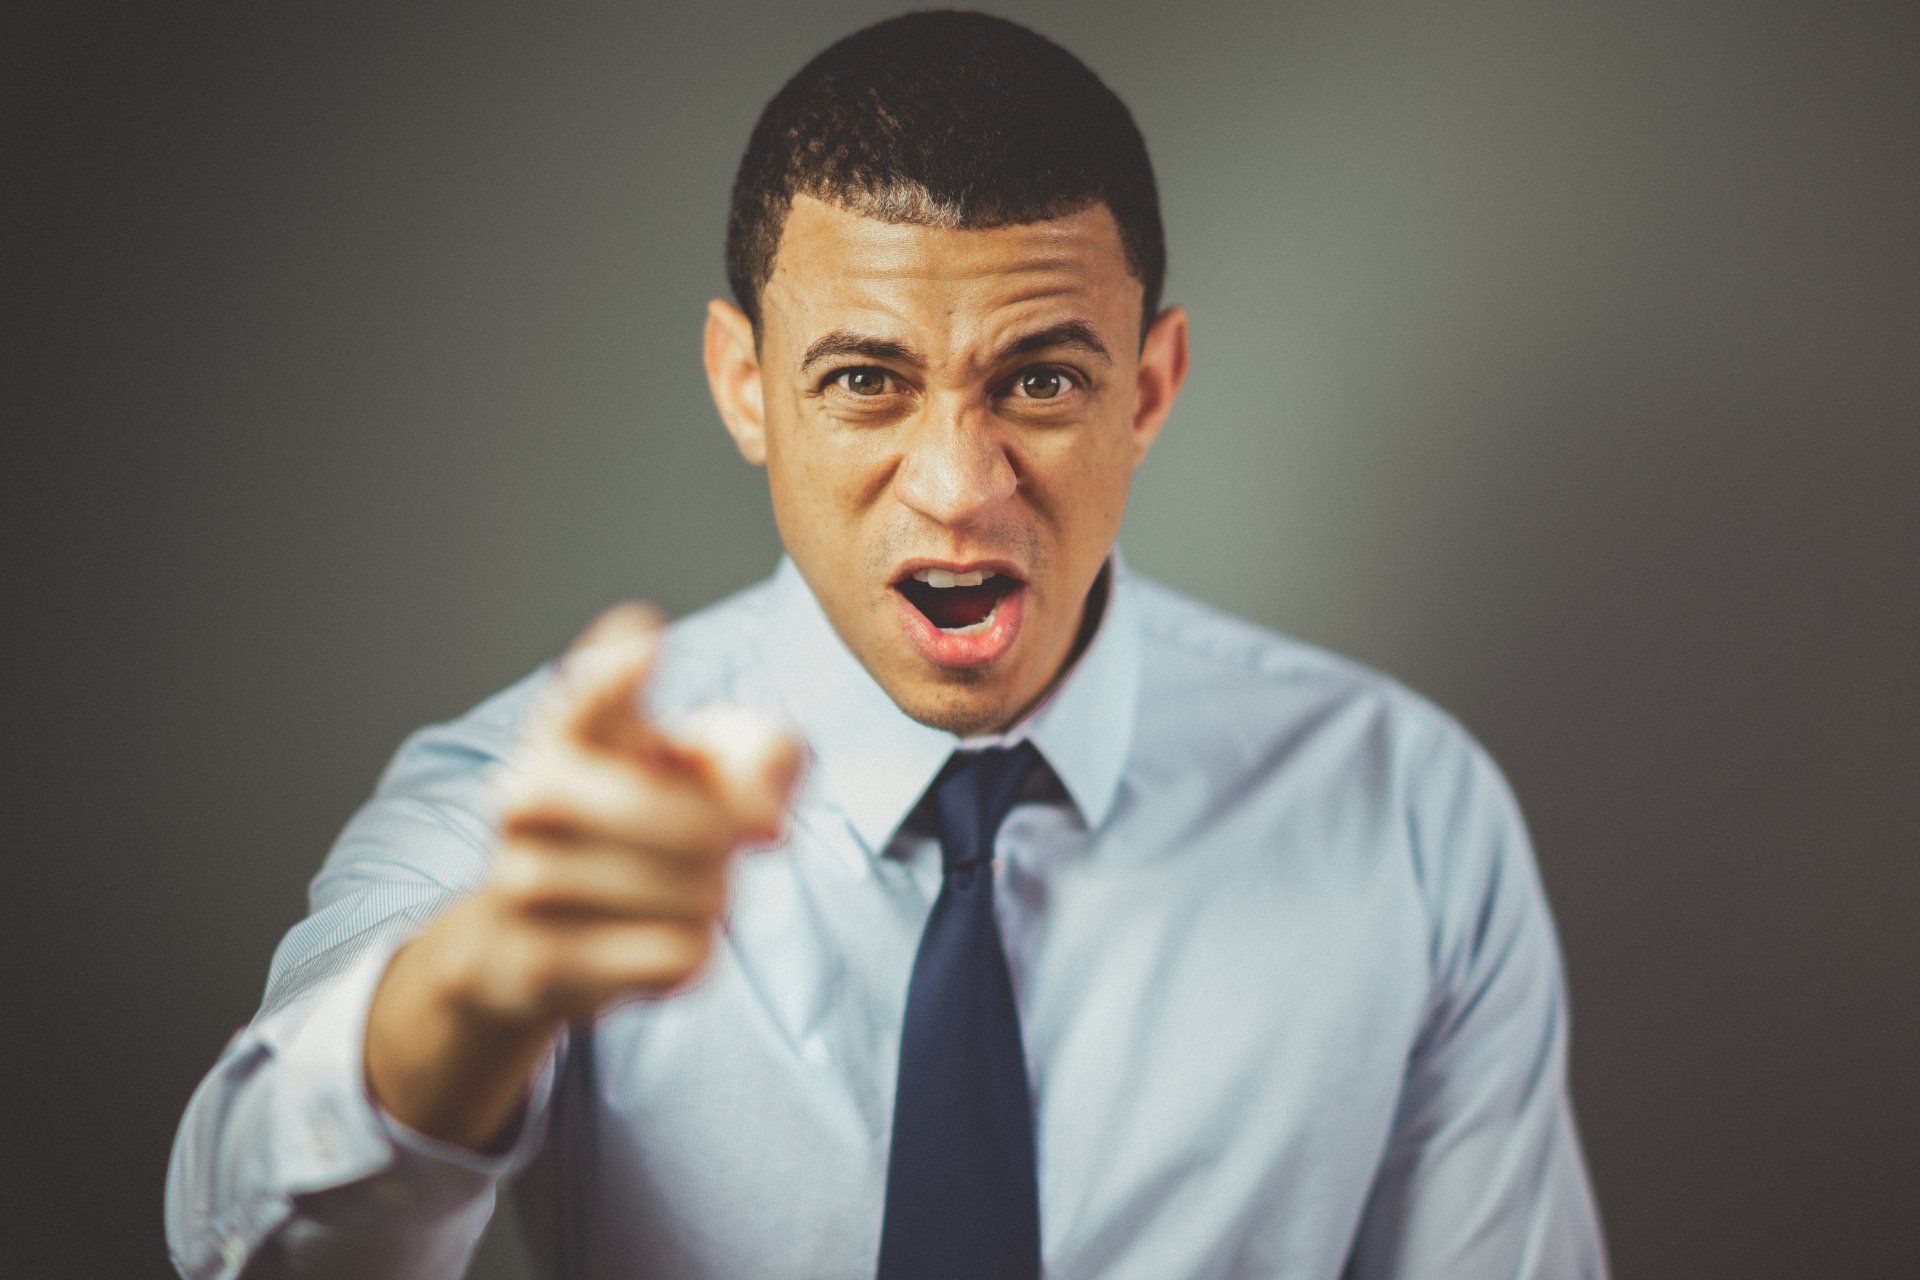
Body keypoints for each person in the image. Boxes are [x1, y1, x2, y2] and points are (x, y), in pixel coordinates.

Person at [166, 11, 1609, 1279]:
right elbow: (254, 1246)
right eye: (865, 380)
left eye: (1040, 378)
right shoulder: (540, 812)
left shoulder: (1406, 811)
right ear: (747, 388)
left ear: (1151, 388)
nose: (959, 484)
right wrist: (475, 993)